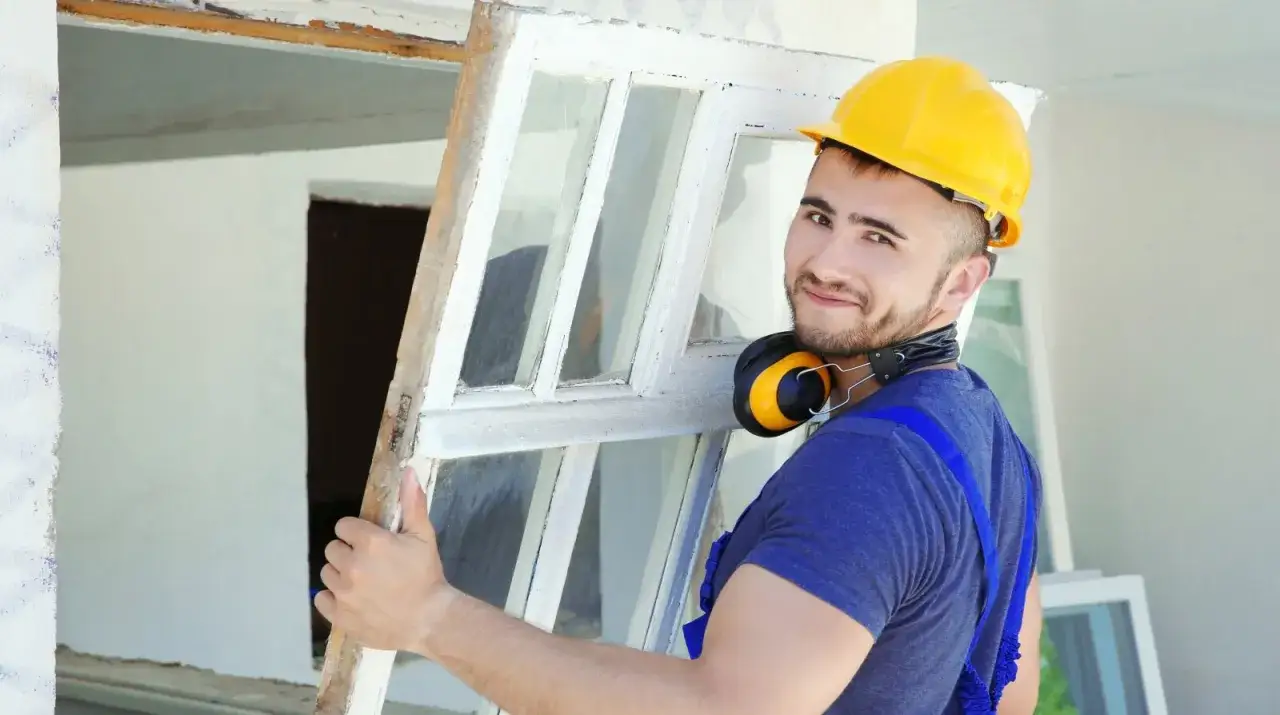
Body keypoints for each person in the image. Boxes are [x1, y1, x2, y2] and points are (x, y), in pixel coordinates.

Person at [314, 55, 1043, 715]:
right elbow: (1009, 699)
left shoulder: (873, 467)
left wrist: (430, 616)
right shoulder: (994, 444)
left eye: (879, 237)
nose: (826, 260)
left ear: (961, 283)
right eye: (818, 215)